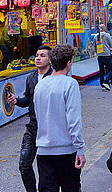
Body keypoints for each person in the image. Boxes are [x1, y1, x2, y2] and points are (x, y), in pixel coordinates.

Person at [34, 45, 85, 192]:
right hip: (66, 150)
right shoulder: (70, 83)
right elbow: (74, 121)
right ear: (69, 62)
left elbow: (39, 116)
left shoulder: (40, 85)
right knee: (71, 188)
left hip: (44, 149)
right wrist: (79, 149)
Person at [8, 45, 53, 192]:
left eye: (42, 55)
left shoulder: (54, 77)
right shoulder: (31, 77)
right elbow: (28, 99)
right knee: (24, 165)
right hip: (33, 126)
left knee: (46, 167)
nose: (38, 58)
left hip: (49, 127)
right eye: (37, 55)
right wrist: (16, 101)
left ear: (50, 59)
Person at [98, 24, 112, 91]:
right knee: (110, 69)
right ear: (104, 28)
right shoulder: (107, 35)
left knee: (101, 70)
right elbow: (111, 44)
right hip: (107, 55)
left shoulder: (97, 36)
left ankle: (102, 83)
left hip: (100, 55)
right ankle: (106, 81)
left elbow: (95, 45)